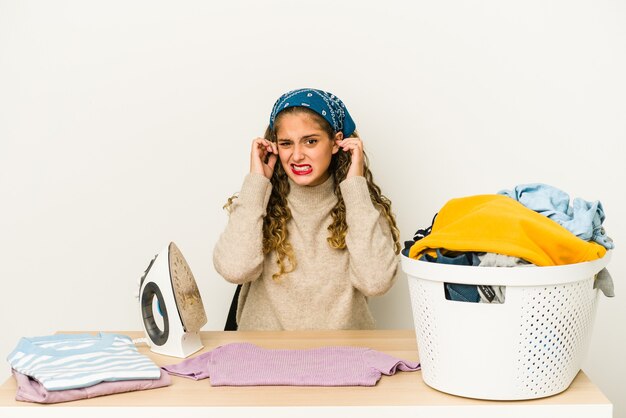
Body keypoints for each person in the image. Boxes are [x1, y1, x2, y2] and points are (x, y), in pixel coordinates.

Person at [213, 88, 401, 330]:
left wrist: (355, 186)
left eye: (310, 141)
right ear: (275, 147)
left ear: (336, 142)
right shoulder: (258, 201)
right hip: (264, 358)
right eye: (286, 143)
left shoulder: (360, 206)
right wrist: (256, 182)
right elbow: (234, 270)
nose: (297, 155)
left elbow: (376, 282)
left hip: (342, 358)